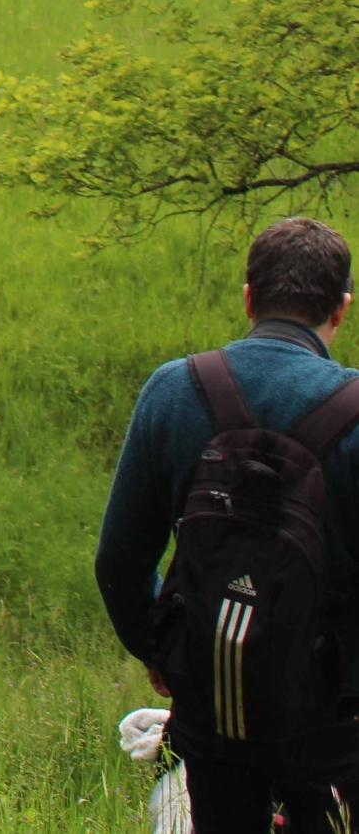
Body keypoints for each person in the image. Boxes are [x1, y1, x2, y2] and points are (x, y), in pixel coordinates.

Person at [98, 217, 359, 831]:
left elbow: (119, 561)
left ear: (247, 297)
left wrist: (165, 653)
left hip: (214, 710)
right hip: (332, 721)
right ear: (341, 311)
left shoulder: (173, 392)